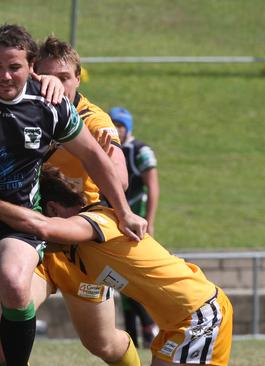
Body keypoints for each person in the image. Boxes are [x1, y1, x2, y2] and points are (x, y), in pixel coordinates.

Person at [0, 24, 147, 366]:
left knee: (100, 340)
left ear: (78, 78)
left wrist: (124, 212)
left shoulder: (68, 109)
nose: (4, 75)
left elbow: (104, 165)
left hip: (58, 235)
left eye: (14, 67)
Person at [0, 167, 233, 366]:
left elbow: (39, 227)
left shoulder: (98, 221)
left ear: (52, 209)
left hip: (200, 313)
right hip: (176, 324)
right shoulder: (79, 252)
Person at [110, 106, 160, 348]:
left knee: (136, 279)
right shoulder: (108, 146)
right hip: (116, 222)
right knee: (123, 281)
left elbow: (153, 187)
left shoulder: (141, 151)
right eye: (114, 125)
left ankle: (151, 326)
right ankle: (132, 337)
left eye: (121, 126)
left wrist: (149, 221)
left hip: (136, 222)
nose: (117, 130)